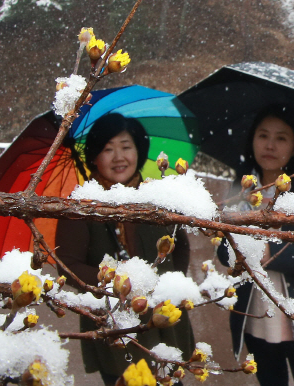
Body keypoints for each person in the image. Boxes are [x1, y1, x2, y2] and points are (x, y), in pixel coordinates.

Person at [56, 113, 195, 385]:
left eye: (126, 146)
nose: (118, 157)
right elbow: (67, 264)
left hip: (163, 315)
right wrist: (114, 282)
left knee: (170, 377)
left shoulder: (158, 198)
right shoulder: (82, 205)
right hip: (116, 323)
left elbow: (180, 248)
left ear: (139, 152)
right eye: (108, 149)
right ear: (95, 156)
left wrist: (165, 287)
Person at [217, 105, 294, 386]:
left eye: (281, 138)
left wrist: (264, 252)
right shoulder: (241, 190)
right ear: (252, 141)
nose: (270, 145)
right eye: (263, 135)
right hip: (256, 317)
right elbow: (223, 251)